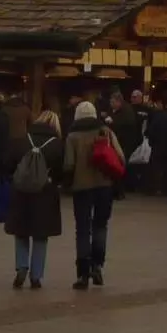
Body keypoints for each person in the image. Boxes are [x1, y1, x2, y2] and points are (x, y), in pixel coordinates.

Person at [61, 100, 123, 290]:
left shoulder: (72, 136)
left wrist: (66, 184)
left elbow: (69, 164)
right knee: (100, 226)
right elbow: (120, 156)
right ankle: (97, 265)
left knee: (82, 229)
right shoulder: (106, 132)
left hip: (81, 187)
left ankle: (82, 273)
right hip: (104, 186)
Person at [4, 111, 65, 289]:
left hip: (21, 191)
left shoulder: (21, 140)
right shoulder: (58, 145)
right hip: (45, 193)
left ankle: (21, 266)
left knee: (21, 232)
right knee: (41, 235)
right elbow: (63, 170)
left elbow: (8, 164)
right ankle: (36, 275)